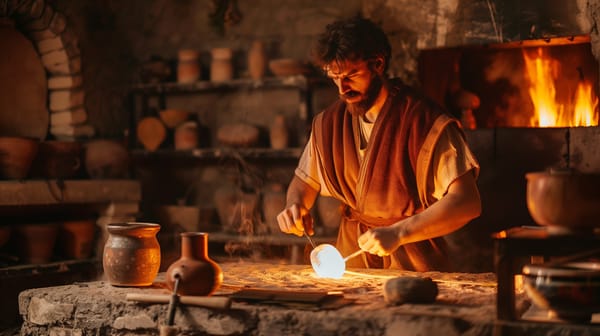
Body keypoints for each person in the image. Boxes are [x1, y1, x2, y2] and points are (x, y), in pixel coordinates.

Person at [276, 16, 481, 271]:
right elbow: (304, 181)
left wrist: (399, 233)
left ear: (378, 64)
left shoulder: (424, 122)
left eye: (352, 75)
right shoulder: (329, 123)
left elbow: (467, 201)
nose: (342, 89)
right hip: (353, 267)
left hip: (412, 266)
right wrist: (295, 205)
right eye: (334, 77)